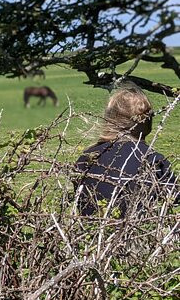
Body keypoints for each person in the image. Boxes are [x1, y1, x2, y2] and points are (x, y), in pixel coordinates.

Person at [75, 86, 178, 217]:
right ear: (148, 123)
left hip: (91, 231)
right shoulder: (152, 159)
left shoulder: (87, 158)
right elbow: (173, 197)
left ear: (110, 119)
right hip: (139, 231)